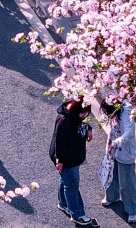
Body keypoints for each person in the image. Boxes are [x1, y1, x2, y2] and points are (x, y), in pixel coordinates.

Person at [50, 98, 99, 228]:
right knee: (72, 185)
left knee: (66, 181)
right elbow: (59, 143)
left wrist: (88, 128)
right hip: (67, 159)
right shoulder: (64, 122)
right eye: (83, 113)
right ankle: (77, 214)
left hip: (74, 156)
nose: (85, 115)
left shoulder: (74, 116)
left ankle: (64, 203)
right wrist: (59, 161)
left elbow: (80, 123)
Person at [100, 91, 136, 224]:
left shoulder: (128, 115)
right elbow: (112, 130)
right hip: (113, 149)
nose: (107, 116)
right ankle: (111, 196)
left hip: (125, 152)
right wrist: (110, 144)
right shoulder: (115, 112)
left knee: (127, 183)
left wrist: (115, 143)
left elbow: (128, 134)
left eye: (108, 113)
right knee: (111, 174)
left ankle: (132, 210)